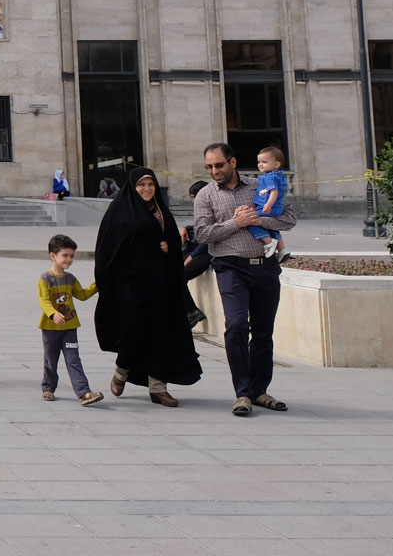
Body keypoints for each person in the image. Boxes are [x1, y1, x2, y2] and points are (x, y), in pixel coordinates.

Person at [194, 142, 298, 417]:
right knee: (237, 325)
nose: (214, 171)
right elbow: (203, 234)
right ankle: (242, 393)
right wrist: (235, 224)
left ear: (233, 162)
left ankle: (259, 390)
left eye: (219, 165)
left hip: (264, 268)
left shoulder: (260, 185)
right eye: (210, 166)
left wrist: (259, 221)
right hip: (230, 268)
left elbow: (289, 219)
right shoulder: (205, 195)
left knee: (263, 332)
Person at [93, 167, 201, 407]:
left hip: (159, 284)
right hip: (129, 285)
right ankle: (122, 371)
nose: (146, 189)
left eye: (150, 184)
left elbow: (175, 243)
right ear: (133, 187)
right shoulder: (119, 211)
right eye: (141, 185)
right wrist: (106, 282)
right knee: (133, 330)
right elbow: (107, 249)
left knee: (161, 332)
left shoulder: (162, 212)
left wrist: (169, 248)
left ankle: (158, 388)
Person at [37, 234, 103, 405]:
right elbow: (44, 300)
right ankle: (48, 388)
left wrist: (98, 284)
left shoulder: (70, 278)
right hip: (50, 329)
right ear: (53, 256)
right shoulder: (45, 279)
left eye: (71, 256)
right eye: (65, 255)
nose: (69, 259)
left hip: (69, 328)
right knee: (51, 360)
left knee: (74, 360)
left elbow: (82, 295)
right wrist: (53, 314)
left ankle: (84, 393)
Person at [248, 146, 291, 259]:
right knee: (271, 227)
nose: (260, 164)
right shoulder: (279, 175)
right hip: (277, 208)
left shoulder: (269, 177)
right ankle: (282, 250)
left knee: (249, 220)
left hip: (268, 207)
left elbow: (274, 192)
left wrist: (268, 205)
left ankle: (269, 242)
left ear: (276, 164)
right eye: (259, 162)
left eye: (264, 162)